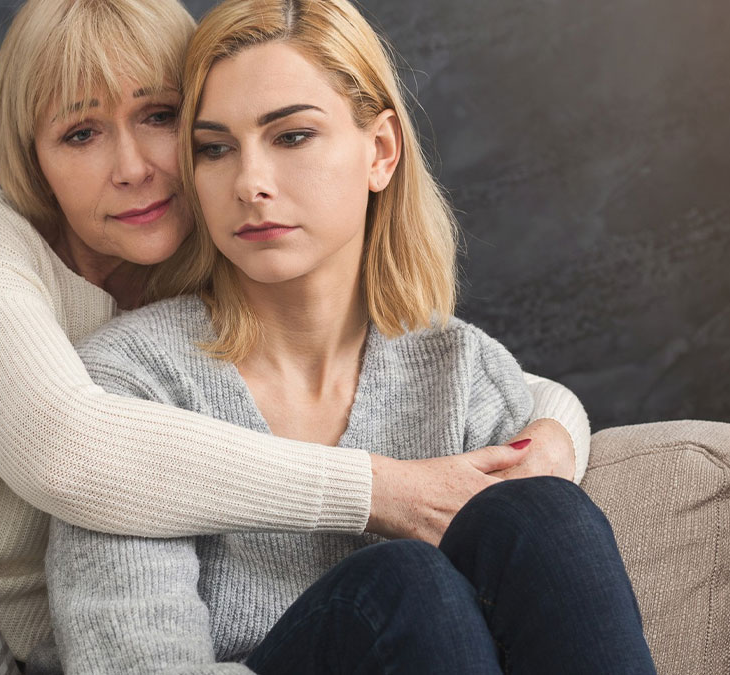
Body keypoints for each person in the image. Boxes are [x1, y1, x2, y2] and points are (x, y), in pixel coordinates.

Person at [0, 0, 588, 672]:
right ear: (35, 159)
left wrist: (556, 430)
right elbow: (71, 449)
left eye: (161, 117)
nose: (131, 166)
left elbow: (487, 380)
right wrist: (376, 488)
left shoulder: (207, 275)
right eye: (80, 132)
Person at [44, 0, 653, 672]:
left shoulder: (461, 369)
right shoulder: (133, 382)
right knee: (404, 588)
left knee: (547, 514)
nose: (250, 183)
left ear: (381, 151)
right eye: (215, 149)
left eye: (292, 136)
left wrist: (558, 434)